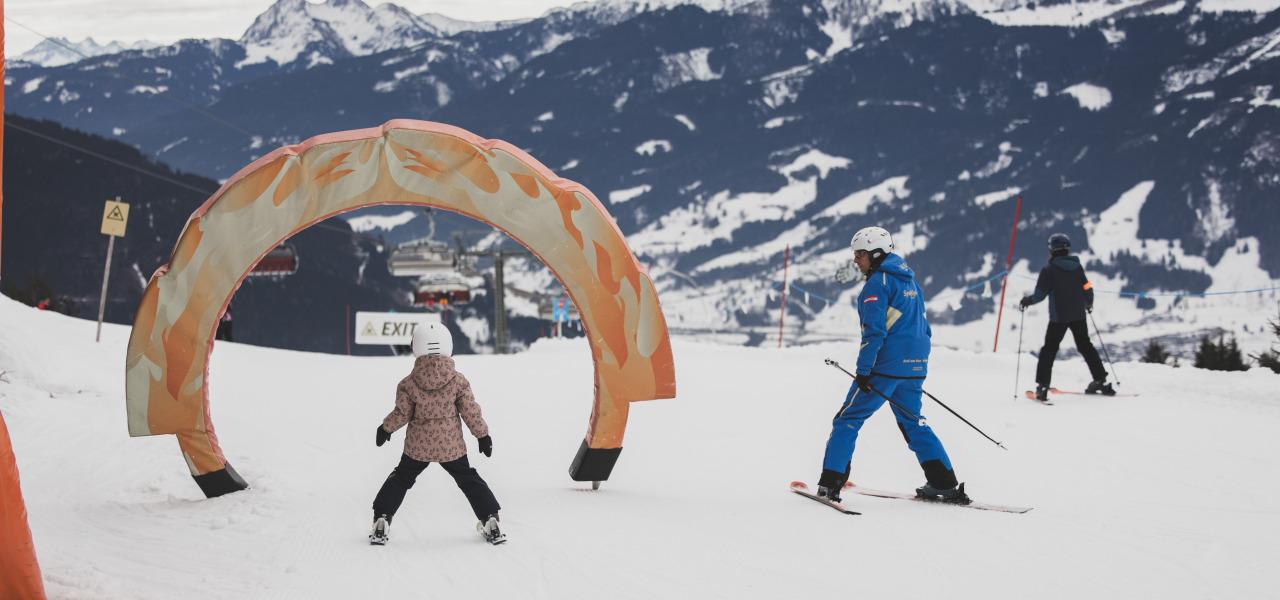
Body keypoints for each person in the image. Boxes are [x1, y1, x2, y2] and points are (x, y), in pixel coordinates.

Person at [818, 226, 968, 504]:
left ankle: (830, 484)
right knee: (913, 423)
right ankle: (944, 483)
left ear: (876, 253)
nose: (856, 260)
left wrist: (864, 371)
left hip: (884, 368)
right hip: (914, 366)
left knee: (847, 420)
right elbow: (923, 326)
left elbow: (873, 333)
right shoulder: (910, 281)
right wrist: (914, 365)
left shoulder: (877, 284)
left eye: (860, 254)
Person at [369, 322, 505, 545]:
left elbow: (402, 413)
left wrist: (386, 428)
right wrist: (482, 435)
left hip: (417, 448)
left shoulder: (409, 384)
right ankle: (489, 517)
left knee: (401, 478)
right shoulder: (458, 381)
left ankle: (382, 517)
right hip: (451, 447)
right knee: (468, 479)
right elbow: (470, 411)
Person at [1019, 233, 1114, 401]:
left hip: (1059, 318)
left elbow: (1039, 295)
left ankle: (1042, 386)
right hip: (1079, 315)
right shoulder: (1077, 267)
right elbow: (1087, 286)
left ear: (1051, 250)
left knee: (1049, 350)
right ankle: (1100, 379)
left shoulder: (1048, 270)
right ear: (1067, 249)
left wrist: (1027, 301)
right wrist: (1088, 303)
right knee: (1086, 346)